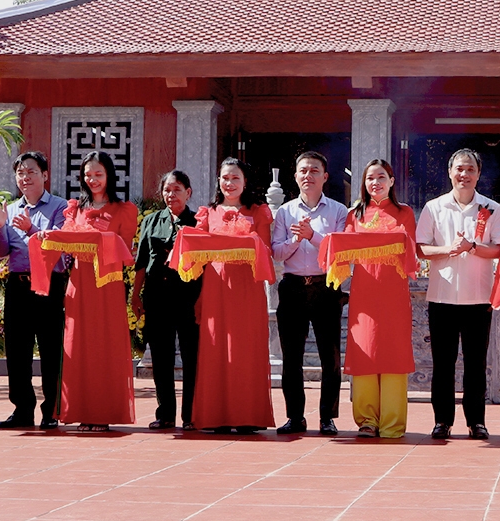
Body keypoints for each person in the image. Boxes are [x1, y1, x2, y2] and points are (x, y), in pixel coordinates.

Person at [417, 148, 500, 441]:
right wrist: (448, 250)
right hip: (441, 296)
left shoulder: (492, 208)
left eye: (470, 170)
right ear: (450, 172)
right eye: (459, 169)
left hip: (478, 297)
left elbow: (499, 249)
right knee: (442, 363)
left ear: (478, 174)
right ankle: (442, 420)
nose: (464, 175)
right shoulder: (434, 207)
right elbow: (421, 248)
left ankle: (476, 421)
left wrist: (472, 247)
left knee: (476, 363)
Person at [57, 151, 139, 431]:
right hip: (79, 283)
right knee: (78, 345)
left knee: (105, 346)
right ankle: (81, 410)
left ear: (109, 175)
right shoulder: (75, 209)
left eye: (98, 174)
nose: (92, 179)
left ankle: (104, 411)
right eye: (88, 174)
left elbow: (126, 249)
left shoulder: (123, 209)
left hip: (107, 283)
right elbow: (67, 244)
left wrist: (100, 239)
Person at [193, 157, 275, 433]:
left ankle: (247, 415)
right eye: (225, 178)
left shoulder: (258, 212)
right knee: (216, 347)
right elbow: (197, 249)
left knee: (246, 348)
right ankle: (216, 415)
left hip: (247, 287)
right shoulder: (209, 213)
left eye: (235, 178)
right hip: (215, 287)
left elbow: (265, 249)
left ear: (245, 181)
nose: (229, 183)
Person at [0, 151, 69, 430]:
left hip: (49, 283)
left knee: (50, 349)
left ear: (45, 175)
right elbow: (0, 251)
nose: (25, 177)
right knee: (17, 350)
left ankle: (52, 411)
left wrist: (32, 228)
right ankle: (22, 409)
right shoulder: (9, 209)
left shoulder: (60, 207)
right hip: (18, 284)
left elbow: (59, 248)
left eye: (31, 171)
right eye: (20, 173)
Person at [271, 151, 348, 436]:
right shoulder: (285, 211)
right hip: (292, 287)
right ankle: (295, 416)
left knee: (330, 357)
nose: (308, 176)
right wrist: (295, 239)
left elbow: (339, 252)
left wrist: (312, 236)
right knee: (291, 357)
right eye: (303, 170)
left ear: (325, 176)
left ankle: (327, 417)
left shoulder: (339, 211)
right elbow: (276, 252)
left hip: (326, 286)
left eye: (314, 170)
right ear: (295, 176)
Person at [344, 159, 417, 439]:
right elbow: (345, 247)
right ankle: (366, 420)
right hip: (364, 293)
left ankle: (392, 423)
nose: (376, 183)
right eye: (370, 178)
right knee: (365, 351)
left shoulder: (404, 212)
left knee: (392, 352)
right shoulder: (356, 214)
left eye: (381, 177)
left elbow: (409, 248)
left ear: (392, 181)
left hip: (393, 293)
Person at [131, 170, 199, 431]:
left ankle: (191, 414)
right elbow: (141, 262)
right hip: (157, 296)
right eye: (167, 190)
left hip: (188, 296)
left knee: (191, 356)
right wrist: (136, 295)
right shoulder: (151, 221)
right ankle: (165, 413)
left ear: (188, 192)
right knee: (161, 356)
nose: (171, 195)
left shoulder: (197, 221)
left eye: (177, 189)